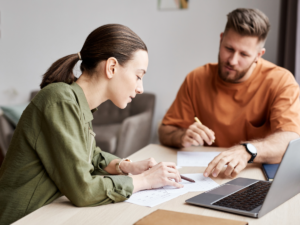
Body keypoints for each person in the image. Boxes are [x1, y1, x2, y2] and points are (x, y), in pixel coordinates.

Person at [0, 24, 183, 225]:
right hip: (24, 219)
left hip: (52, 213)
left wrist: (127, 167)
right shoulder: (60, 100)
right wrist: (145, 181)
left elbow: (90, 155)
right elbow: (83, 190)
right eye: (138, 76)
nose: (140, 88)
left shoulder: (78, 105)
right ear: (111, 67)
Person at [159, 8, 300, 179]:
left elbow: (290, 140)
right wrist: (182, 136)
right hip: (212, 174)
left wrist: (247, 150)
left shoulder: (281, 81)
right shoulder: (196, 78)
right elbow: (165, 131)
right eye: (229, 48)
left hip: (258, 176)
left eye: (244, 54)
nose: (232, 60)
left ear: (258, 55)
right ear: (221, 39)